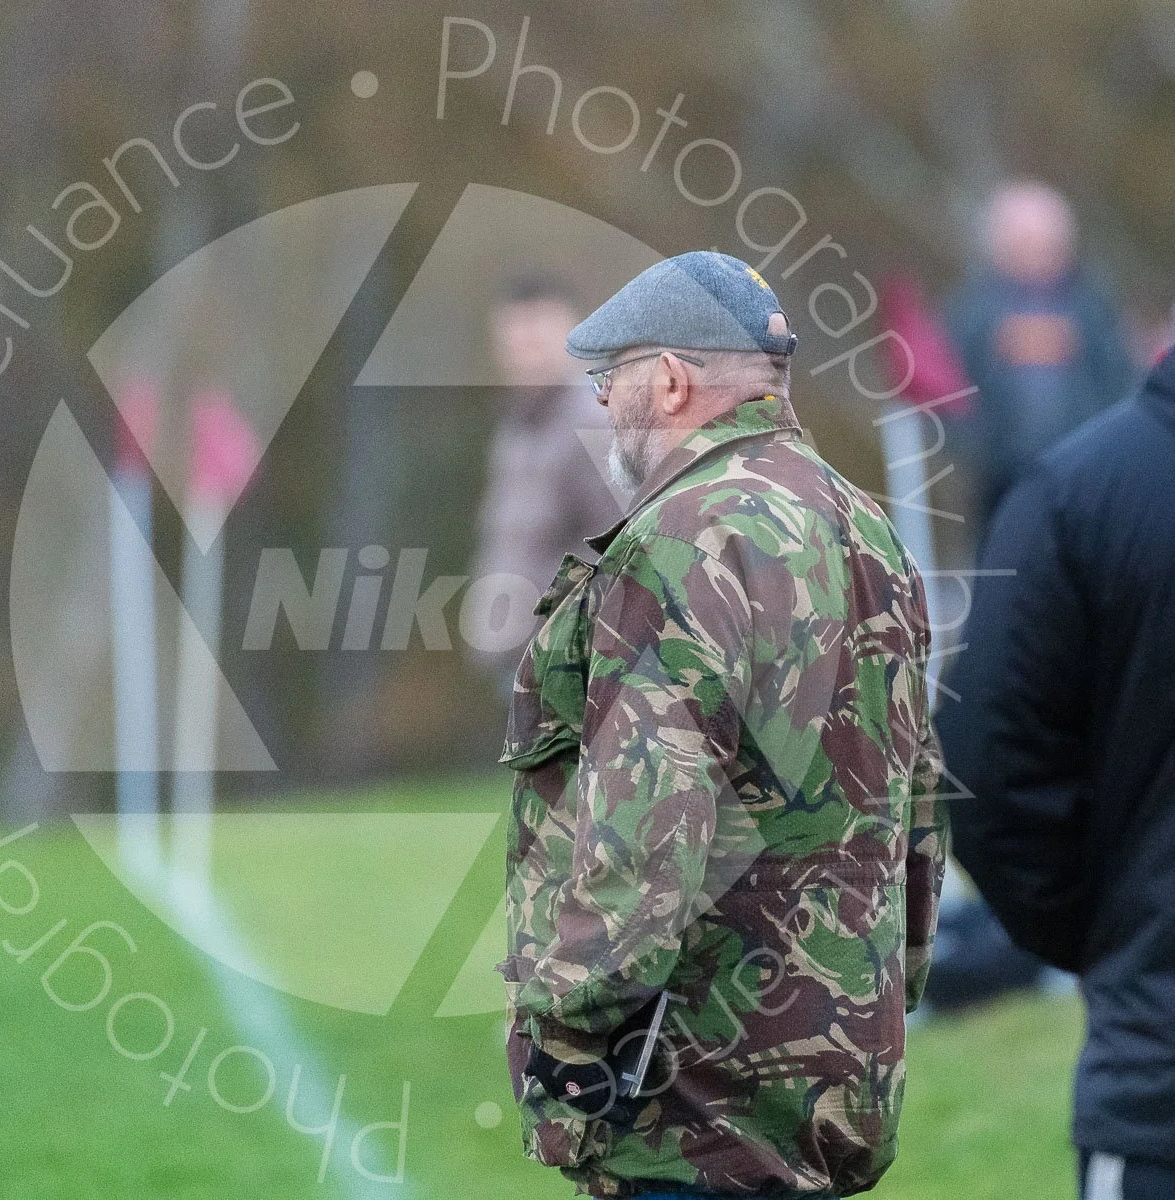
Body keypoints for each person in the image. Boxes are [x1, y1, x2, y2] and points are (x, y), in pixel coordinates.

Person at [494, 251, 948, 1199]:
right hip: (834, 1082)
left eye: (608, 376)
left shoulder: (676, 539)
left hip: (689, 1104)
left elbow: (643, 838)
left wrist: (564, 1038)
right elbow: (919, 812)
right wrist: (882, 998)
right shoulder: (868, 527)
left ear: (668, 380)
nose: (604, 400)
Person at [936, 347, 1175, 1200]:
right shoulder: (1082, 493)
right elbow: (992, 766)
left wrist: (1104, 936)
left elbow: (988, 768)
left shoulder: (1081, 489)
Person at [469, 273, 626, 692]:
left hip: (571, 669)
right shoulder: (515, 429)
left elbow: (620, 550)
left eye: (534, 340)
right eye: (512, 343)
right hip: (523, 664)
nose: (522, 356)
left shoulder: (592, 425)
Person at [944, 180, 1135, 524]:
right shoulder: (973, 311)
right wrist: (976, 449)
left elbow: (1118, 378)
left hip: (1086, 474)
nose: (1037, 255)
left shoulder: (1093, 307)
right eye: (1024, 244)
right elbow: (951, 387)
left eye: (1046, 244)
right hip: (1000, 481)